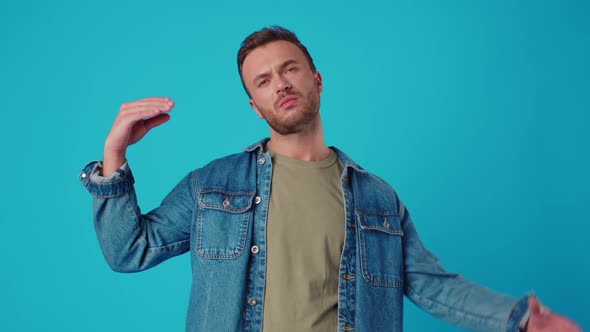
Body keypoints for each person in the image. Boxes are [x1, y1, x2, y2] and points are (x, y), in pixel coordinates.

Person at [79, 26, 581, 332]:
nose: (280, 83)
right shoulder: (214, 187)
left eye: (289, 69)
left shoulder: (377, 199)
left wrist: (521, 319)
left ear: (315, 79)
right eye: (263, 80)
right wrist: (114, 154)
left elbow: (432, 286)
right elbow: (130, 250)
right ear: (254, 107)